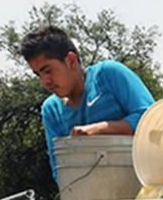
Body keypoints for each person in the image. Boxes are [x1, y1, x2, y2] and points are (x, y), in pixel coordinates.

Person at [20, 26, 155, 183]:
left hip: (142, 191)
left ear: (71, 60)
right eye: (38, 74)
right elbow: (60, 170)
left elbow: (152, 121)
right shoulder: (51, 110)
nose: (45, 82)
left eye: (48, 70)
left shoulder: (109, 74)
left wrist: (99, 130)